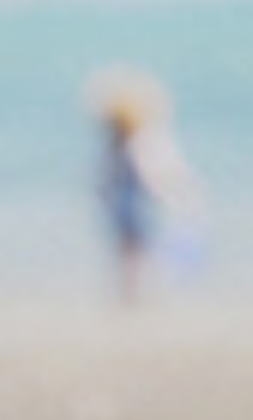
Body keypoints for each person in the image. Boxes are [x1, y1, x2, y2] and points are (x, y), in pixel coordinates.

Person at [86, 65, 206, 304]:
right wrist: (177, 192)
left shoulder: (118, 144)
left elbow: (103, 177)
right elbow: (153, 173)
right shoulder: (139, 143)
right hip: (137, 204)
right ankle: (140, 294)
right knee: (139, 249)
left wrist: (102, 196)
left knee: (129, 251)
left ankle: (132, 294)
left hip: (122, 205)